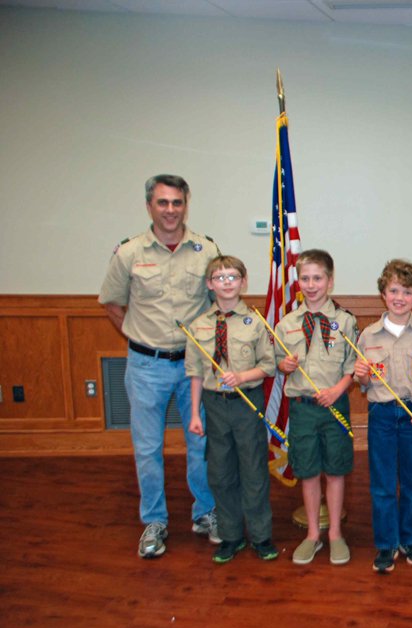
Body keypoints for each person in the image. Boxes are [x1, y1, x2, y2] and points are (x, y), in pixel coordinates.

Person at [98, 174, 220, 559]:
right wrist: (139, 338)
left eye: (177, 202)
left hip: (193, 368)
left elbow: (221, 304)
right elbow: (112, 304)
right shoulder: (129, 253)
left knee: (200, 443)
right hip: (146, 365)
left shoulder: (206, 250)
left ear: (187, 204)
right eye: (163, 203)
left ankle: (206, 513)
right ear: (149, 206)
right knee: (147, 448)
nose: (170, 210)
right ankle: (154, 521)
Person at [185, 256, 277, 564]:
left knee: (253, 470)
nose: (226, 282)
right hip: (214, 405)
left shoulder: (255, 321)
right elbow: (196, 373)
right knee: (220, 472)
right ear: (210, 284)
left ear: (243, 282)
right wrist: (196, 414)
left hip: (247, 403)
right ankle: (231, 535)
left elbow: (268, 366)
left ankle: (261, 536)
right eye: (219, 277)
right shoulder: (199, 325)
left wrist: (241, 377)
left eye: (233, 276)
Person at [354, 259, 412, 574]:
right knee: (382, 484)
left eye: (407, 292)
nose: (400, 297)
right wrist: (362, 375)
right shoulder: (368, 335)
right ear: (383, 293)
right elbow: (364, 385)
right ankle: (386, 544)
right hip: (381, 414)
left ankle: (410, 540)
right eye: (394, 290)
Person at [274, 250, 358, 567]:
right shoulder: (286, 324)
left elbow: (352, 367)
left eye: (318, 278)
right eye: (305, 278)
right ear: (298, 281)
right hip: (303, 408)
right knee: (308, 471)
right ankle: (312, 534)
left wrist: (337, 389)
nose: (311, 285)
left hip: (335, 406)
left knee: (335, 470)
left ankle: (335, 532)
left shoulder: (345, 322)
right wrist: (283, 365)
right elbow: (276, 363)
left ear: (330, 281)